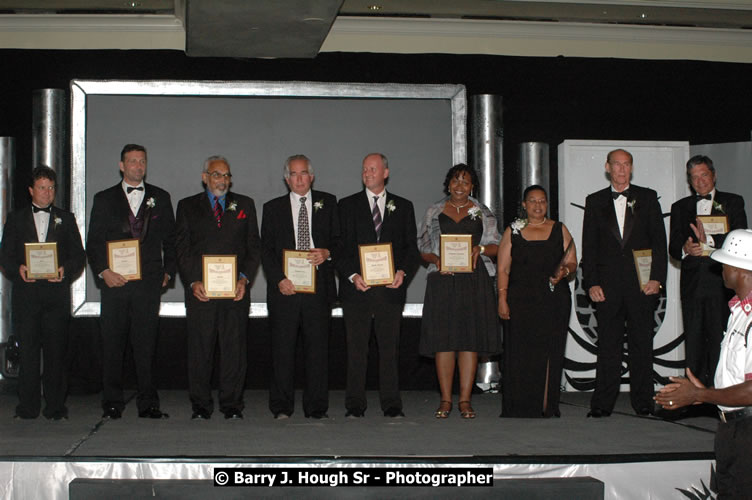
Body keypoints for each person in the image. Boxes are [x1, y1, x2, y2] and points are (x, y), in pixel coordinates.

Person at [655, 229, 752, 498]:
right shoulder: (738, 312)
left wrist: (699, 394)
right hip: (731, 429)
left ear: (738, 269)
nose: (719, 267)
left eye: (724, 262)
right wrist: (707, 395)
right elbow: (737, 378)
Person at [87, 144, 176, 419]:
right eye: (132, 161)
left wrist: (168, 272)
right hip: (115, 283)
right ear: (121, 166)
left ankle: (148, 402)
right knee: (112, 344)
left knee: (146, 345)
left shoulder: (160, 197)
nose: (138, 166)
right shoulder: (103, 198)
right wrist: (103, 271)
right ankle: (112, 402)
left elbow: (172, 241)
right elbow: (93, 242)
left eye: (142, 161)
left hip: (148, 284)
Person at [581, 148, 667, 417]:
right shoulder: (594, 201)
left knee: (643, 343)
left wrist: (657, 279)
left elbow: (659, 244)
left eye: (626, 164)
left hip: (642, 285)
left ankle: (643, 401)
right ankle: (602, 403)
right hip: (607, 288)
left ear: (632, 168)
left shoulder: (648, 197)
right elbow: (589, 246)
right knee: (608, 345)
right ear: (607, 167)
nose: (621, 169)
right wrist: (591, 282)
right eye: (616, 165)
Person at [175, 155, 261, 420]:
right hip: (202, 293)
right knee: (200, 350)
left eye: (226, 175)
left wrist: (244, 278)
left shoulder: (244, 204)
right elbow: (182, 248)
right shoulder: (188, 206)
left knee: (234, 350)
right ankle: (201, 405)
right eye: (216, 174)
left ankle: (232, 404)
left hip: (235, 293)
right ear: (204, 177)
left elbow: (253, 247)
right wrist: (193, 281)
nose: (221, 180)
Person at [336, 152, 419, 418]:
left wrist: (403, 272)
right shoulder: (346, 205)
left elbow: (411, 249)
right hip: (356, 291)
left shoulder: (403, 206)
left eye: (373, 169)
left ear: (385, 173)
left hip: (390, 291)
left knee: (389, 349)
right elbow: (339, 247)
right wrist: (351, 275)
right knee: (356, 350)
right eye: (364, 169)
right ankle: (354, 405)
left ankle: (392, 404)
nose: (367, 173)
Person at [0, 166, 85, 420]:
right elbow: (5, 256)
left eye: (51, 188)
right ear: (31, 191)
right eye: (42, 188)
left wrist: (63, 270)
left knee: (56, 353)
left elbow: (78, 257)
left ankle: (56, 407)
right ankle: (27, 407)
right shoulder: (15, 219)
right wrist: (19, 269)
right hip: (26, 297)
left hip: (56, 297)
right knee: (27, 354)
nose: (47, 193)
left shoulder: (66, 218)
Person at [418, 164, 500, 419]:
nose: (460, 186)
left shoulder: (482, 212)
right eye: (456, 181)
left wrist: (481, 250)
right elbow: (422, 247)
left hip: (474, 281)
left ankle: (465, 400)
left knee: (469, 340)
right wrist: (436, 260)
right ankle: (445, 400)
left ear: (472, 186)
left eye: (465, 182)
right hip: (443, 280)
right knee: (444, 341)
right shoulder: (434, 209)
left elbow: (497, 244)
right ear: (448, 183)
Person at [261, 154, 340, 419]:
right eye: (293, 174)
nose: (299, 179)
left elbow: (341, 242)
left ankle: (316, 407)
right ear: (286, 179)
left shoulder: (328, 203)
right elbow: (266, 252)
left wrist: (327, 252)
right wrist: (278, 280)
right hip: (286, 289)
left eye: (303, 173)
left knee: (317, 351)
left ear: (312, 176)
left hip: (318, 290)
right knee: (282, 351)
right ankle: (282, 406)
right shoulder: (272, 208)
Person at [497, 185, 576, 418]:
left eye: (542, 201)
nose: (538, 205)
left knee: (550, 351)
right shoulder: (513, 230)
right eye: (532, 201)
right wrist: (502, 298)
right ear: (524, 205)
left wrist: (564, 271)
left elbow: (572, 262)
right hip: (520, 301)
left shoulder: (559, 229)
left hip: (554, 300)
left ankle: (546, 405)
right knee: (521, 353)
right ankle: (519, 405)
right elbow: (502, 268)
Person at [669, 155, 747, 387]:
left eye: (704, 175)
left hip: (720, 283)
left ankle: (721, 393)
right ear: (689, 181)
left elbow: (740, 237)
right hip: (692, 285)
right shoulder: (680, 207)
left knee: (720, 338)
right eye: (694, 177)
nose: (700, 181)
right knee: (693, 340)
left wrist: (709, 241)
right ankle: (692, 394)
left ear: (713, 175)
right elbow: (672, 247)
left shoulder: (733, 202)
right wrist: (685, 248)